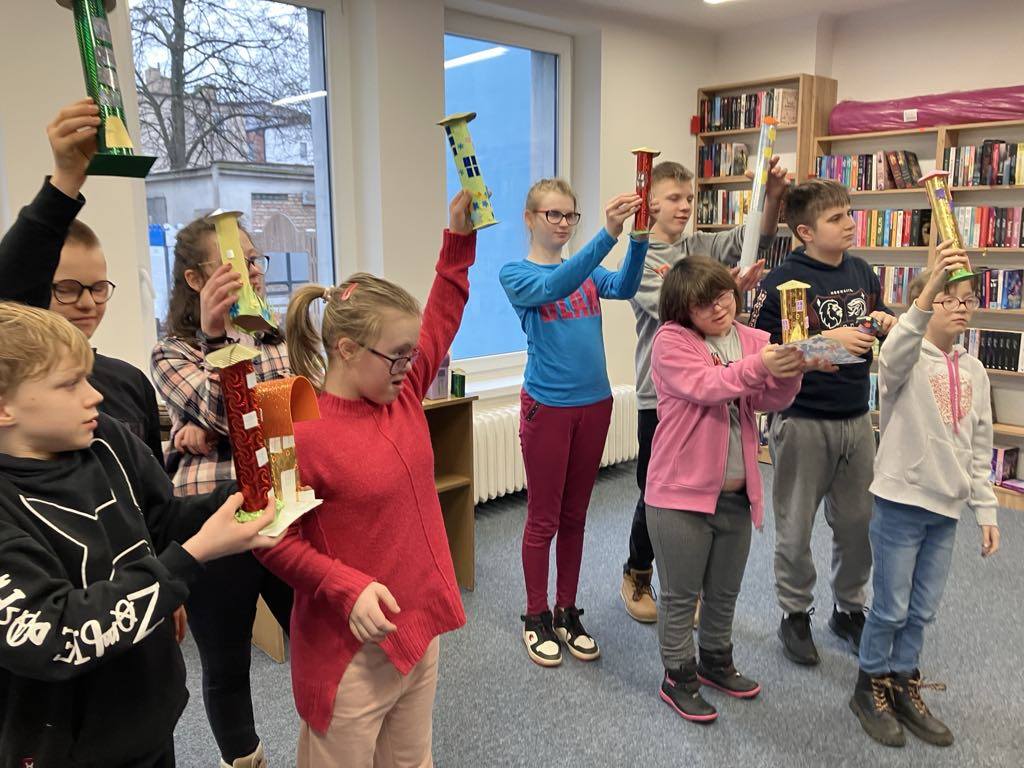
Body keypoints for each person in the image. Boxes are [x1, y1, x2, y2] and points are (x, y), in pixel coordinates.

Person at [0, 301, 278, 767]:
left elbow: (160, 522)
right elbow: (57, 637)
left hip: (148, 718)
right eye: (69, 384)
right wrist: (190, 558)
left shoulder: (104, 442)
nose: (94, 396)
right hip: (66, 751)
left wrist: (240, 497)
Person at [256, 192, 474, 767]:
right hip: (349, 654)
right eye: (397, 355)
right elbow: (271, 539)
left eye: (412, 354)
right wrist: (343, 586)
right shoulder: (293, 429)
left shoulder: (402, 391)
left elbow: (443, 314)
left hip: (417, 632)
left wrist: (459, 236)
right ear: (347, 349)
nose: (411, 366)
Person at [646, 256, 815, 722]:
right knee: (681, 595)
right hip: (679, 495)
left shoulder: (751, 338)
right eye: (704, 304)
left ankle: (715, 661)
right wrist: (762, 363)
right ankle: (678, 676)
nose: (719, 308)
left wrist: (791, 369)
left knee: (723, 591)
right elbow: (709, 385)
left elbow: (769, 398)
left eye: (723, 295)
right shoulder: (671, 341)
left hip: (737, 495)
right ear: (683, 310)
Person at [150, 215, 292, 768]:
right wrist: (215, 341)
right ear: (194, 279)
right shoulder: (170, 352)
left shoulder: (268, 336)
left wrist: (201, 429)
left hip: (279, 508)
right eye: (236, 262)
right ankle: (245, 758)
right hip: (213, 520)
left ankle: (333, 742)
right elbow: (229, 411)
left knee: (311, 630)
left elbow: (277, 415)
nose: (252, 270)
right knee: (227, 661)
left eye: (254, 259)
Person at [620, 157, 788, 623]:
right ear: (650, 203)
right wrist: (725, 289)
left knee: (705, 490)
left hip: (721, 386)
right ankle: (638, 571)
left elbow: (752, 239)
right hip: (662, 396)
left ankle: (685, 578)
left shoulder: (700, 245)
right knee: (656, 491)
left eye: (690, 198)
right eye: (674, 198)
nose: (685, 206)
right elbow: (676, 312)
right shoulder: (640, 258)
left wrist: (771, 197)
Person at [849, 245, 1000, 748]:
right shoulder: (906, 359)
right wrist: (930, 284)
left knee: (922, 609)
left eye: (968, 299)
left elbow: (980, 447)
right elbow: (893, 352)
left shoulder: (976, 371)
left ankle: (902, 680)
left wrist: (986, 510)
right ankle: (869, 685)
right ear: (927, 302)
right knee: (890, 607)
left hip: (946, 511)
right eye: (948, 299)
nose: (961, 307)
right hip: (900, 504)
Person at [500, 179, 648, 666]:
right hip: (548, 408)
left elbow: (623, 287)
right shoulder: (516, 274)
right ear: (530, 219)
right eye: (553, 214)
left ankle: (566, 610)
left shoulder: (585, 271)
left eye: (570, 215)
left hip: (595, 405)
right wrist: (608, 234)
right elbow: (554, 286)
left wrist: (638, 238)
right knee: (544, 518)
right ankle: (535, 614)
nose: (563, 223)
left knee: (576, 516)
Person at [749, 179, 895, 665]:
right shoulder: (787, 281)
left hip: (856, 418)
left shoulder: (860, 270)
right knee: (795, 526)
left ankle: (849, 609)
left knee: (858, 523)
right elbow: (772, 355)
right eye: (837, 218)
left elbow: (874, 317)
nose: (850, 223)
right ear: (806, 232)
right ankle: (794, 614)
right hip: (803, 420)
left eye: (849, 213)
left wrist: (887, 321)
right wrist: (830, 342)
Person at [0, 98, 162, 461]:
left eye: (99, 288)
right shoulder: (19, 392)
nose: (88, 303)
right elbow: (9, 291)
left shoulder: (130, 383)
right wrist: (66, 180)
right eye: (68, 289)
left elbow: (155, 490)